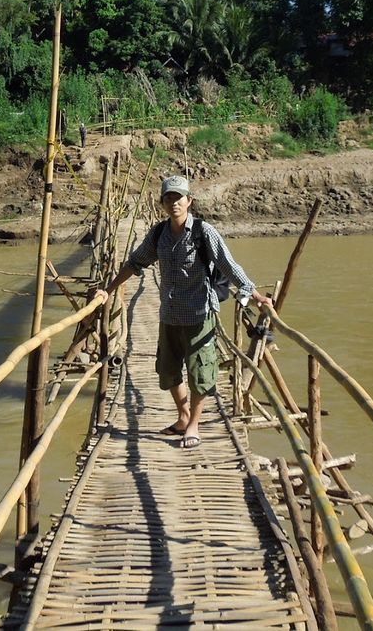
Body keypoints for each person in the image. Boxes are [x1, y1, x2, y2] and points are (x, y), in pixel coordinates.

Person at [92, 175, 272, 449]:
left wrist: (254, 294)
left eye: (179, 197)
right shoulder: (158, 234)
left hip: (199, 315)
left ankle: (194, 424)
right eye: (169, 198)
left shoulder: (203, 232)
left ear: (189, 201)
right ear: (162, 203)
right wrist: (108, 289)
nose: (174, 202)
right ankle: (183, 416)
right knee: (168, 371)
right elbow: (135, 263)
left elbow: (228, 265)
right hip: (169, 315)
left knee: (200, 373)